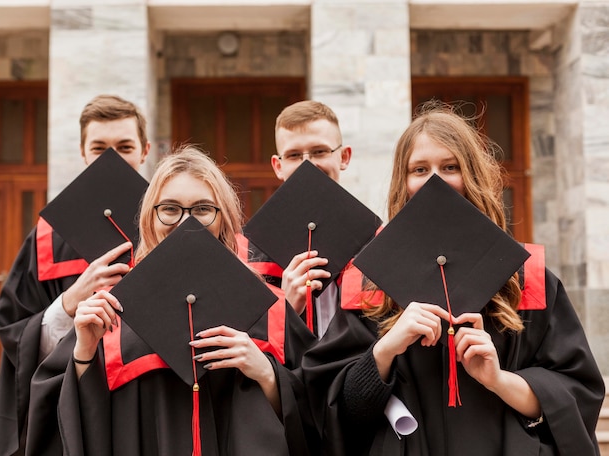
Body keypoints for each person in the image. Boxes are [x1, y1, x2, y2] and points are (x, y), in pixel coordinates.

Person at [300, 103, 606, 455]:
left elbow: (577, 393)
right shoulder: (370, 285)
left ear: (472, 175)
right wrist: (384, 350)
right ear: (404, 182)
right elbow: (335, 410)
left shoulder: (524, 278)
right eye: (419, 169)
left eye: (450, 166)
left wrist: (499, 380)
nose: (434, 179)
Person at [47, 146, 315, 455]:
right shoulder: (112, 311)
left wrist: (267, 375)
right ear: (150, 218)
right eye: (170, 208)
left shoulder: (269, 309)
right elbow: (65, 427)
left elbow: (319, 416)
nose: (186, 221)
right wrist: (84, 352)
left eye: (202, 208)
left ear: (224, 218)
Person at [0, 94, 150, 456]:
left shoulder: (168, 225)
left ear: (144, 150)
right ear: (83, 152)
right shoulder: (49, 234)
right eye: (99, 148)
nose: (111, 158)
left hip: (151, 407)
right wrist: (68, 302)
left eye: (124, 146)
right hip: (71, 409)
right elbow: (15, 334)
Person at [241, 100, 355, 340]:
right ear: (278, 166)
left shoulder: (374, 241)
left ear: (344, 157)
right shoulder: (247, 254)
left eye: (320, 151)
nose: (308, 165)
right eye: (294, 155)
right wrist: (287, 309)